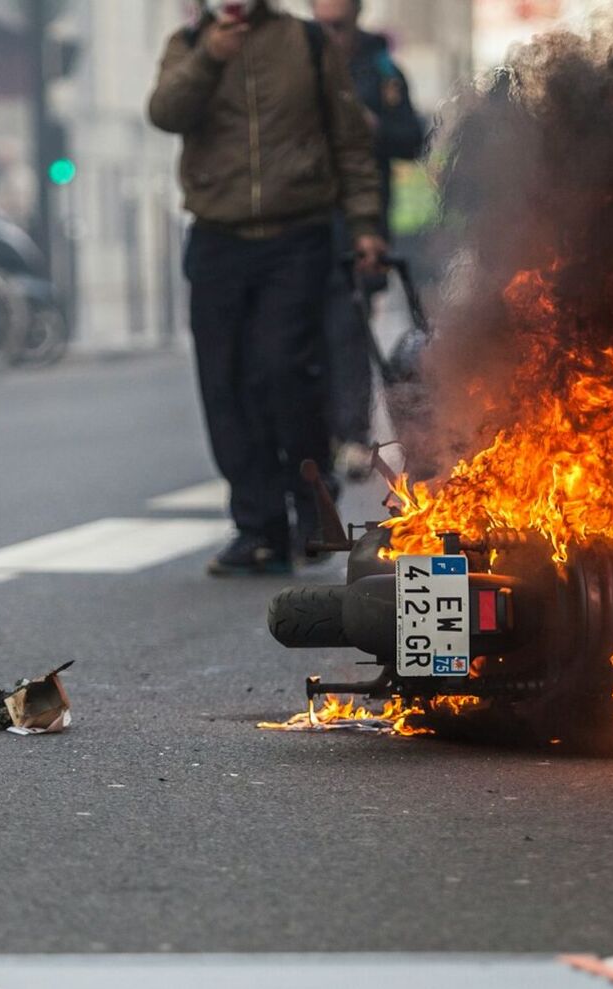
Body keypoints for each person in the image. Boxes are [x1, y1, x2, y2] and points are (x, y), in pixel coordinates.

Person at [148, 0, 387, 576]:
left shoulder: (305, 43)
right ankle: (257, 527)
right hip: (217, 240)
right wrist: (210, 58)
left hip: (295, 237)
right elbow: (165, 113)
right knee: (226, 385)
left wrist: (364, 226)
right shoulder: (190, 46)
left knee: (283, 371)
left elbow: (350, 143)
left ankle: (311, 501)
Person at [313, 0, 426, 481]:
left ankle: (353, 436)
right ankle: (316, 437)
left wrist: (373, 126)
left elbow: (411, 137)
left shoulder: (382, 70)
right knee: (303, 339)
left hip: (360, 225)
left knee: (349, 330)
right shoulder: (299, 58)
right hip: (305, 223)